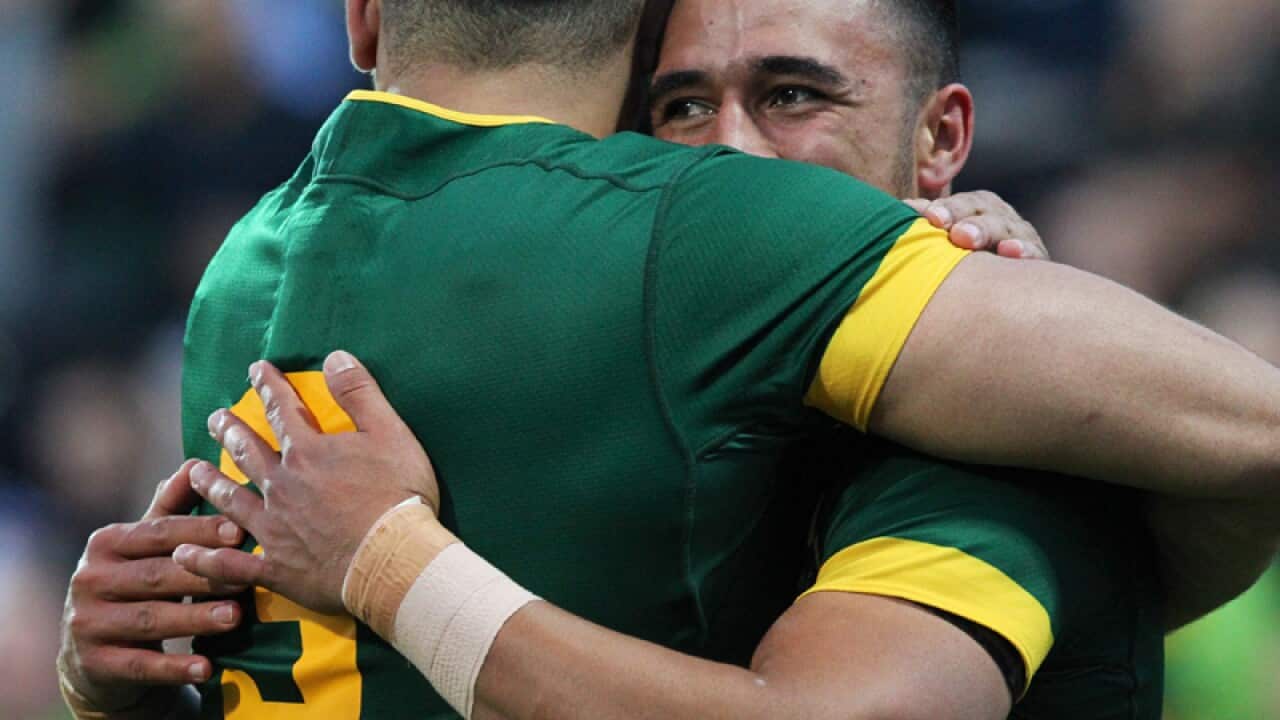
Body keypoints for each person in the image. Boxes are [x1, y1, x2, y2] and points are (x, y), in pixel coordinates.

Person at [58, 0, 1280, 718]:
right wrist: (128, 684)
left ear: (937, 138)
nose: (725, 157)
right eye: (681, 108)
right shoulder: (668, 350)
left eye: (795, 96)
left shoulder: (971, 440)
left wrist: (392, 564)